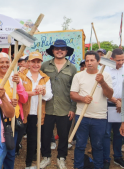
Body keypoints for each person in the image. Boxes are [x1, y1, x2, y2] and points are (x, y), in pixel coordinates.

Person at [70, 50, 113, 169]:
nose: (89, 63)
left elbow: (109, 95)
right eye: (87, 60)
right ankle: (78, 166)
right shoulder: (78, 76)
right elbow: (73, 94)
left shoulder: (106, 75)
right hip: (82, 116)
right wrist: (83, 98)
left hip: (99, 117)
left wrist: (102, 82)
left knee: (98, 145)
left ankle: (98, 166)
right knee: (80, 145)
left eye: (92, 60)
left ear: (98, 61)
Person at [40, 39, 77, 169]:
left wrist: (73, 107)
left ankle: (62, 158)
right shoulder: (45, 66)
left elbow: (74, 89)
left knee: (63, 135)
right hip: (47, 108)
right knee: (45, 134)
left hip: (65, 108)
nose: (59, 51)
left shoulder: (72, 68)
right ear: (53, 51)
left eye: (62, 49)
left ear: (66, 51)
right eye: (57, 49)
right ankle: (46, 157)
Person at [0, 52, 28, 169]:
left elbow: (24, 98)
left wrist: (18, 84)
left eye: (7, 62)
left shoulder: (15, 78)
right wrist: (6, 103)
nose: (5, 65)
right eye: (2, 62)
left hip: (12, 120)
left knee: (11, 150)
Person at [18, 51, 53, 169]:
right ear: (28, 63)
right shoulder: (21, 75)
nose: (36, 64)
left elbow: (49, 96)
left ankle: (28, 163)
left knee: (33, 139)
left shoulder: (45, 78)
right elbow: (17, 93)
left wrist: (43, 92)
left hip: (37, 113)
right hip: (22, 112)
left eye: (38, 62)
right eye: (33, 61)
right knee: (17, 137)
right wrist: (32, 93)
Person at [103, 48, 124, 168]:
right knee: (105, 133)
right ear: (111, 59)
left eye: (122, 59)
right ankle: (105, 158)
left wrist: (122, 103)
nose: (121, 62)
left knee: (119, 133)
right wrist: (115, 101)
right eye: (118, 60)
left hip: (121, 107)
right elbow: (103, 89)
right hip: (107, 105)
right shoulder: (105, 70)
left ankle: (118, 156)